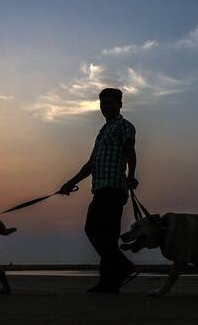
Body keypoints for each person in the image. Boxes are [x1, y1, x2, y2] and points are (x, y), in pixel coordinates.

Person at [60, 87, 139, 293]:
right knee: (108, 237)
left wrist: (131, 176)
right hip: (100, 187)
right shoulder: (103, 131)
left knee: (93, 229)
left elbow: (130, 152)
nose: (107, 106)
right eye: (103, 103)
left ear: (120, 105)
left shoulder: (124, 126)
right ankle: (108, 284)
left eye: (111, 103)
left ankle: (124, 266)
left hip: (112, 187)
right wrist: (70, 182)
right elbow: (91, 164)